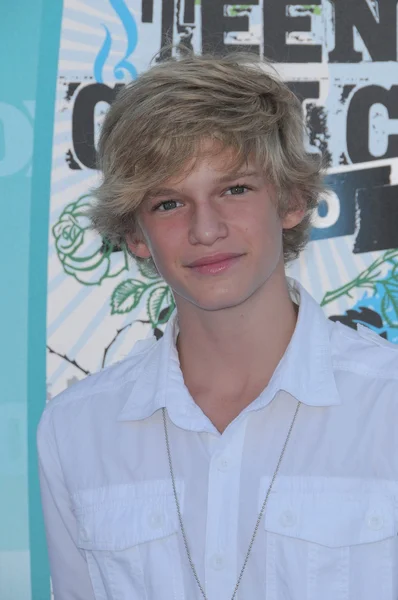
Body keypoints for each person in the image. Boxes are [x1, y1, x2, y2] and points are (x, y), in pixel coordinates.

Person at [37, 50, 398, 600]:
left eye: (234, 189)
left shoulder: (388, 406)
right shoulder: (75, 431)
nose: (205, 229)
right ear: (136, 236)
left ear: (293, 200)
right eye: (168, 202)